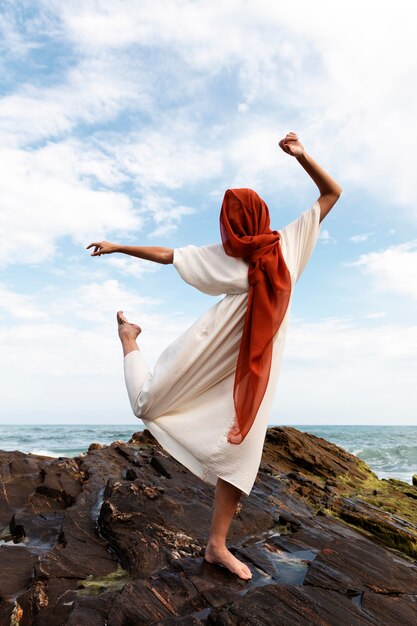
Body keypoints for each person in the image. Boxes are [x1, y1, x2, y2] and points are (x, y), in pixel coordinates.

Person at [87, 131, 342, 580]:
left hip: (255, 370)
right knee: (146, 403)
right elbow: (170, 255)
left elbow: (331, 193)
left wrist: (302, 155)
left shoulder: (287, 242)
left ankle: (216, 546)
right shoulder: (228, 256)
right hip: (214, 349)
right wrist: (121, 245)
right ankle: (130, 337)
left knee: (241, 456)